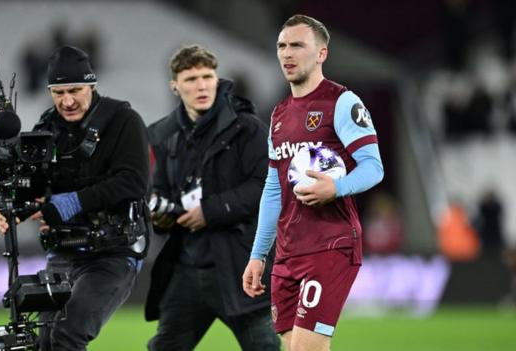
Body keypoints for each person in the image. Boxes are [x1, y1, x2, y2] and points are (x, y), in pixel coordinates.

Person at [0, 45, 150, 350]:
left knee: (69, 332)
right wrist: (8, 211)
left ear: (91, 85)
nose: (67, 100)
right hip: (63, 253)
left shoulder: (123, 121)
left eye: (75, 90)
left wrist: (69, 203)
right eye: (58, 92)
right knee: (45, 340)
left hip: (112, 253)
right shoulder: (47, 126)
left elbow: (134, 182)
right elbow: (34, 187)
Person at [242, 15, 384, 351]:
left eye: (297, 45)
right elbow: (274, 188)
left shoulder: (341, 102)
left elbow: (373, 167)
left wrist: (336, 188)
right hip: (289, 252)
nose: (287, 54)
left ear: (321, 54)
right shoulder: (278, 115)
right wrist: (259, 254)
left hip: (331, 244)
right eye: (282, 46)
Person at [145, 44, 280, 351]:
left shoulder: (248, 129)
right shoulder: (166, 136)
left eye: (208, 76)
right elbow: (162, 190)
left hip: (240, 266)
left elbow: (266, 187)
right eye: (191, 79)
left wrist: (210, 211)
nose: (202, 85)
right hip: (188, 270)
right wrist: (161, 215)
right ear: (175, 87)